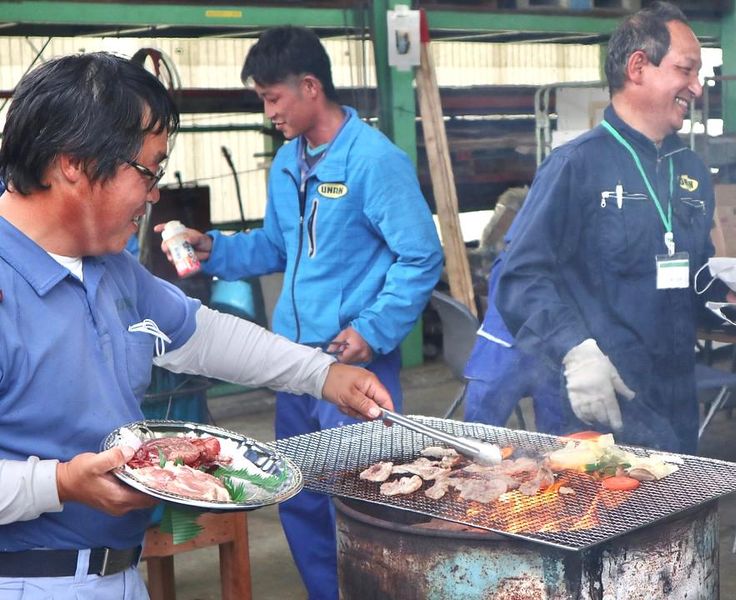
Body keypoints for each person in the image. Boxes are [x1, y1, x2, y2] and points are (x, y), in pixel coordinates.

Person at [0, 52, 395, 599]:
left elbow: (203, 335)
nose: (154, 194)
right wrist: (61, 483)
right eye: (148, 171)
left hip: (118, 573)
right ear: (75, 163)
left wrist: (323, 375)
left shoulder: (108, 268)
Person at [155, 26, 443, 599]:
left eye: (273, 98)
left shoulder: (373, 161)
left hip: (354, 365)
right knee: (302, 496)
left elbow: (421, 254)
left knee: (364, 500)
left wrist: (374, 329)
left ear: (311, 86)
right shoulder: (288, 162)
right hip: (293, 366)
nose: (269, 113)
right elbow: (277, 246)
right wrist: (215, 249)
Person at [495, 2, 736, 456]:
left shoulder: (690, 170)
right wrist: (575, 351)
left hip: (674, 400)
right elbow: (520, 279)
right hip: (597, 400)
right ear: (638, 67)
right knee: (598, 503)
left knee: (675, 500)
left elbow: (691, 278)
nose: (697, 88)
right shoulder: (576, 166)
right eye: (686, 70)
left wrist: (731, 300)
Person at [463, 250, 563, 430]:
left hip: (551, 354)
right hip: (501, 350)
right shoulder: (519, 255)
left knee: (562, 441)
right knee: (476, 435)